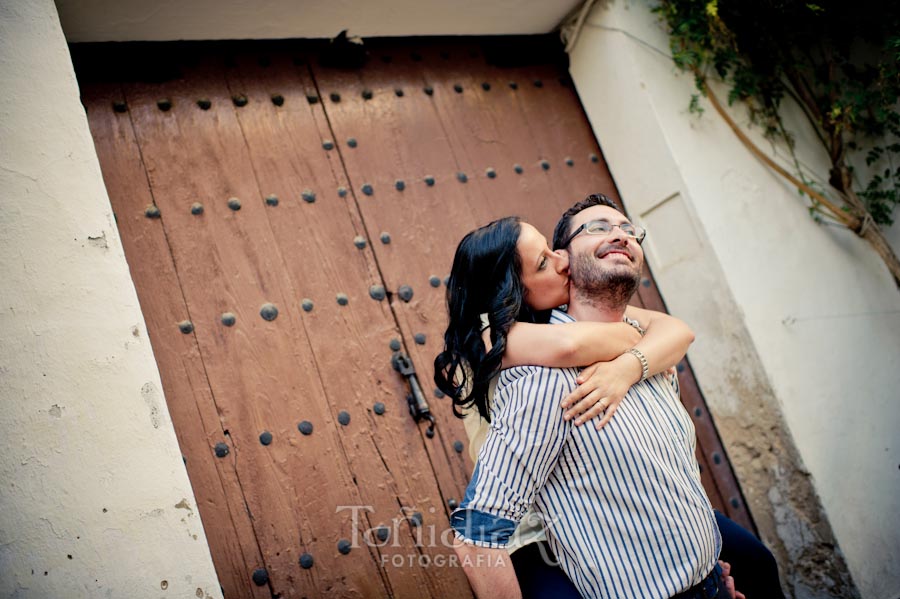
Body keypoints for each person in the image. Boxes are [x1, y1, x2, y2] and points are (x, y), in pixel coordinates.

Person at [444, 195, 781, 598]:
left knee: (758, 561)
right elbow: (476, 536)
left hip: (708, 581)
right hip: (534, 537)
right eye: (597, 230)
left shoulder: (643, 350)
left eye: (627, 229)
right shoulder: (524, 366)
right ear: (513, 295)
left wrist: (704, 570)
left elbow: (673, 332)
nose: (562, 262)